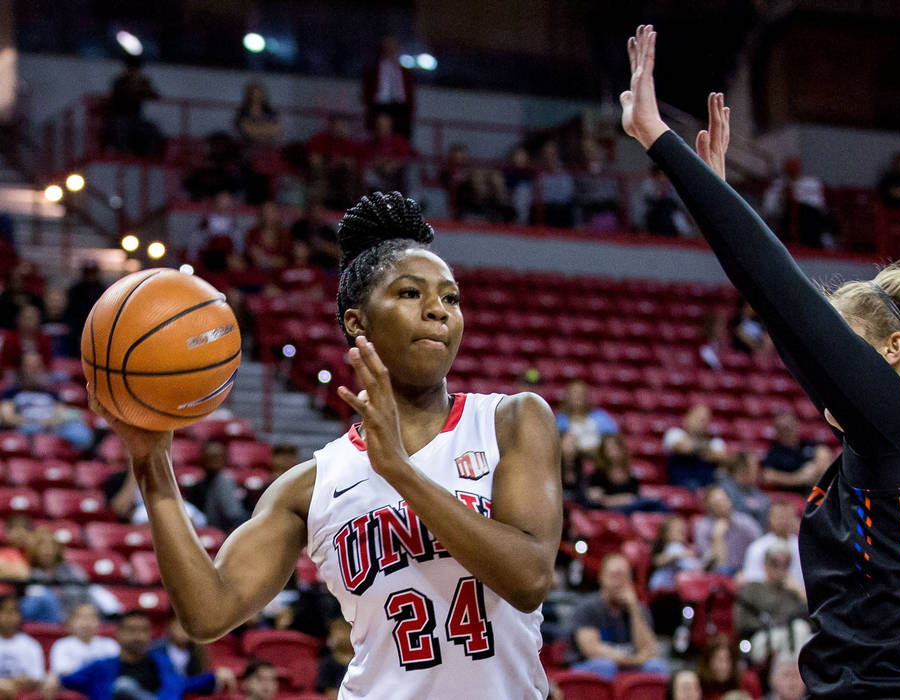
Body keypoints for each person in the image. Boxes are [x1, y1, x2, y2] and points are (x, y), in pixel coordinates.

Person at [621, 24, 900, 697]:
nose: (824, 353)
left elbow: (782, 299)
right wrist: (714, 198)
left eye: (846, 338)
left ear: (892, 352)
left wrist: (662, 143)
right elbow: (782, 313)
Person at [87, 191, 561, 698]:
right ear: (357, 323)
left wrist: (399, 470)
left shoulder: (512, 420)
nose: (438, 311)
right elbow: (208, 613)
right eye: (409, 294)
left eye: (450, 298)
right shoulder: (310, 486)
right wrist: (151, 463)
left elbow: (528, 578)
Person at [59, 609, 227, 700]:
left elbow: (184, 684)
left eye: (143, 631)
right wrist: (54, 677)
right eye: (132, 630)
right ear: (118, 633)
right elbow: (68, 681)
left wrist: (215, 676)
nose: (138, 636)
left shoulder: (163, 664)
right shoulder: (101, 667)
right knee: (123, 687)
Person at [568, 553, 668, 681]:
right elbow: (592, 650)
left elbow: (649, 649)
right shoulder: (588, 607)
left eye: (624, 577)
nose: (619, 583)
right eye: (615, 576)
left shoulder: (639, 609)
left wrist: (634, 609)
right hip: (589, 666)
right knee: (604, 666)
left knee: (657, 667)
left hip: (627, 665)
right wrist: (633, 660)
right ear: (601, 577)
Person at [0, 352, 93, 452]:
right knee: (31, 430)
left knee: (79, 431)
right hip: (23, 429)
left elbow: (60, 414)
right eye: (29, 367)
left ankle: (74, 459)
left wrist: (50, 422)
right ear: (21, 369)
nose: (34, 371)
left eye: (37, 366)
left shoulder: (51, 393)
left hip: (51, 428)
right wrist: (33, 422)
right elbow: (7, 416)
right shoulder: (11, 393)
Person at [733, 543, 809, 662]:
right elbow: (741, 623)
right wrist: (771, 625)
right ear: (765, 564)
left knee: (801, 630)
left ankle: (794, 676)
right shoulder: (752, 589)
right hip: (760, 638)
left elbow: (813, 618)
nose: (779, 569)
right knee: (792, 633)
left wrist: (801, 594)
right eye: (775, 563)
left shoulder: (792, 592)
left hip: (791, 636)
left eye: (785, 565)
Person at [761, 157, 833, 249]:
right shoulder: (777, 185)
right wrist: (782, 198)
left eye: (795, 166)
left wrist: (795, 197)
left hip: (808, 216)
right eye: (790, 166)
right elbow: (769, 208)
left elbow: (818, 204)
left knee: (808, 214)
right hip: (784, 218)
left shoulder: (811, 183)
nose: (792, 169)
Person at [586, 433, 666, 514]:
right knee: (652, 503)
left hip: (633, 508)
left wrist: (622, 499)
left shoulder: (630, 472)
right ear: (603, 452)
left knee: (656, 503)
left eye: (615, 448)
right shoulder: (597, 474)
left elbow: (634, 495)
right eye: (609, 449)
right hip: (612, 512)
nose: (613, 452)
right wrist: (622, 499)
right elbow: (599, 501)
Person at [183, 439, 249, 532]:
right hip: (210, 530)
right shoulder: (195, 489)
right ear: (203, 458)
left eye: (217, 457)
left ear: (225, 459)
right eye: (211, 457)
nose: (214, 461)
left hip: (234, 526)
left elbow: (237, 514)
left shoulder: (232, 483)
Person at [103, 55, 162, 157]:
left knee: (152, 129)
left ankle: (149, 154)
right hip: (119, 117)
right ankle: (123, 152)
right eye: (132, 69)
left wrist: (142, 87)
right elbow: (117, 97)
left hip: (136, 119)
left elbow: (155, 96)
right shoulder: (120, 81)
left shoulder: (142, 82)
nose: (134, 72)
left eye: (136, 69)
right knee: (122, 127)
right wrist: (132, 87)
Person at [760, 412, 833, 494]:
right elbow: (768, 476)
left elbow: (824, 453)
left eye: (790, 426)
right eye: (784, 428)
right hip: (791, 494)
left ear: (796, 426)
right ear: (777, 431)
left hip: (815, 488)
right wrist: (799, 478)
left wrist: (813, 470)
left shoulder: (807, 444)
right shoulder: (774, 452)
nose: (788, 431)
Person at [694, 486, 760, 575]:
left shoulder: (746, 523)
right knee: (723, 570)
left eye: (723, 501)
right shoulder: (703, 527)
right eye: (716, 504)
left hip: (746, 571)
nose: (721, 506)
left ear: (730, 501)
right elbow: (710, 564)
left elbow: (760, 548)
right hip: (716, 574)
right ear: (709, 507)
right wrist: (718, 537)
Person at [739, 501, 804, 592]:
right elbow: (752, 582)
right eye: (780, 516)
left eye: (788, 516)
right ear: (770, 519)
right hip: (767, 598)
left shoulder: (801, 546)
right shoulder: (757, 547)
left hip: (800, 598)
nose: (784, 520)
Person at [361, 36, 415, 138]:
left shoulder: (404, 72)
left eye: (392, 48)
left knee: (400, 137)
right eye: (386, 47)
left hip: (400, 107)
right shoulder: (373, 70)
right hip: (379, 106)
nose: (389, 50)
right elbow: (367, 90)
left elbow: (409, 93)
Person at [663, 403, 727, 489]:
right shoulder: (675, 433)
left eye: (706, 420)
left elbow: (721, 456)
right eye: (698, 419)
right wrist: (706, 452)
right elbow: (683, 448)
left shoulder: (716, 442)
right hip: (680, 485)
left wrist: (694, 450)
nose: (702, 423)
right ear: (687, 418)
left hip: (707, 487)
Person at [48, 604, 119, 676]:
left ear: (98, 622)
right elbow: (63, 672)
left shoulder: (110, 644)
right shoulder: (62, 645)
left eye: (91, 618)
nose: (86, 623)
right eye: (81, 618)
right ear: (71, 622)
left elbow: (116, 669)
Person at [555, 379, 618, 459]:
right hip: (573, 461)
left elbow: (613, 440)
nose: (578, 396)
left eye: (581, 393)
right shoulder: (560, 419)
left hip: (600, 460)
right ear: (567, 397)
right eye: (574, 393)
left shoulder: (600, 416)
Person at [0, 595, 45, 697]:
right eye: (3, 611)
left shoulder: (30, 644)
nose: (8, 616)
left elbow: (37, 677)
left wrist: (14, 682)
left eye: (13, 611)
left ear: (20, 615)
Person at [717, 452, 770, 526]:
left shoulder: (753, 489)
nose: (759, 472)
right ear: (743, 470)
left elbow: (765, 505)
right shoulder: (724, 490)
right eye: (755, 468)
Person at [648, 515, 700, 589]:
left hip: (676, 583)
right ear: (666, 533)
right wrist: (677, 556)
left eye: (682, 529)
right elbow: (657, 561)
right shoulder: (673, 547)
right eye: (676, 529)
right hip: (662, 584)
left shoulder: (682, 547)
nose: (681, 531)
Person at [316, 618, 354, 698]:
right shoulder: (327, 663)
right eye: (335, 632)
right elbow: (326, 689)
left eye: (344, 630)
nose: (340, 636)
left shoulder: (359, 661)